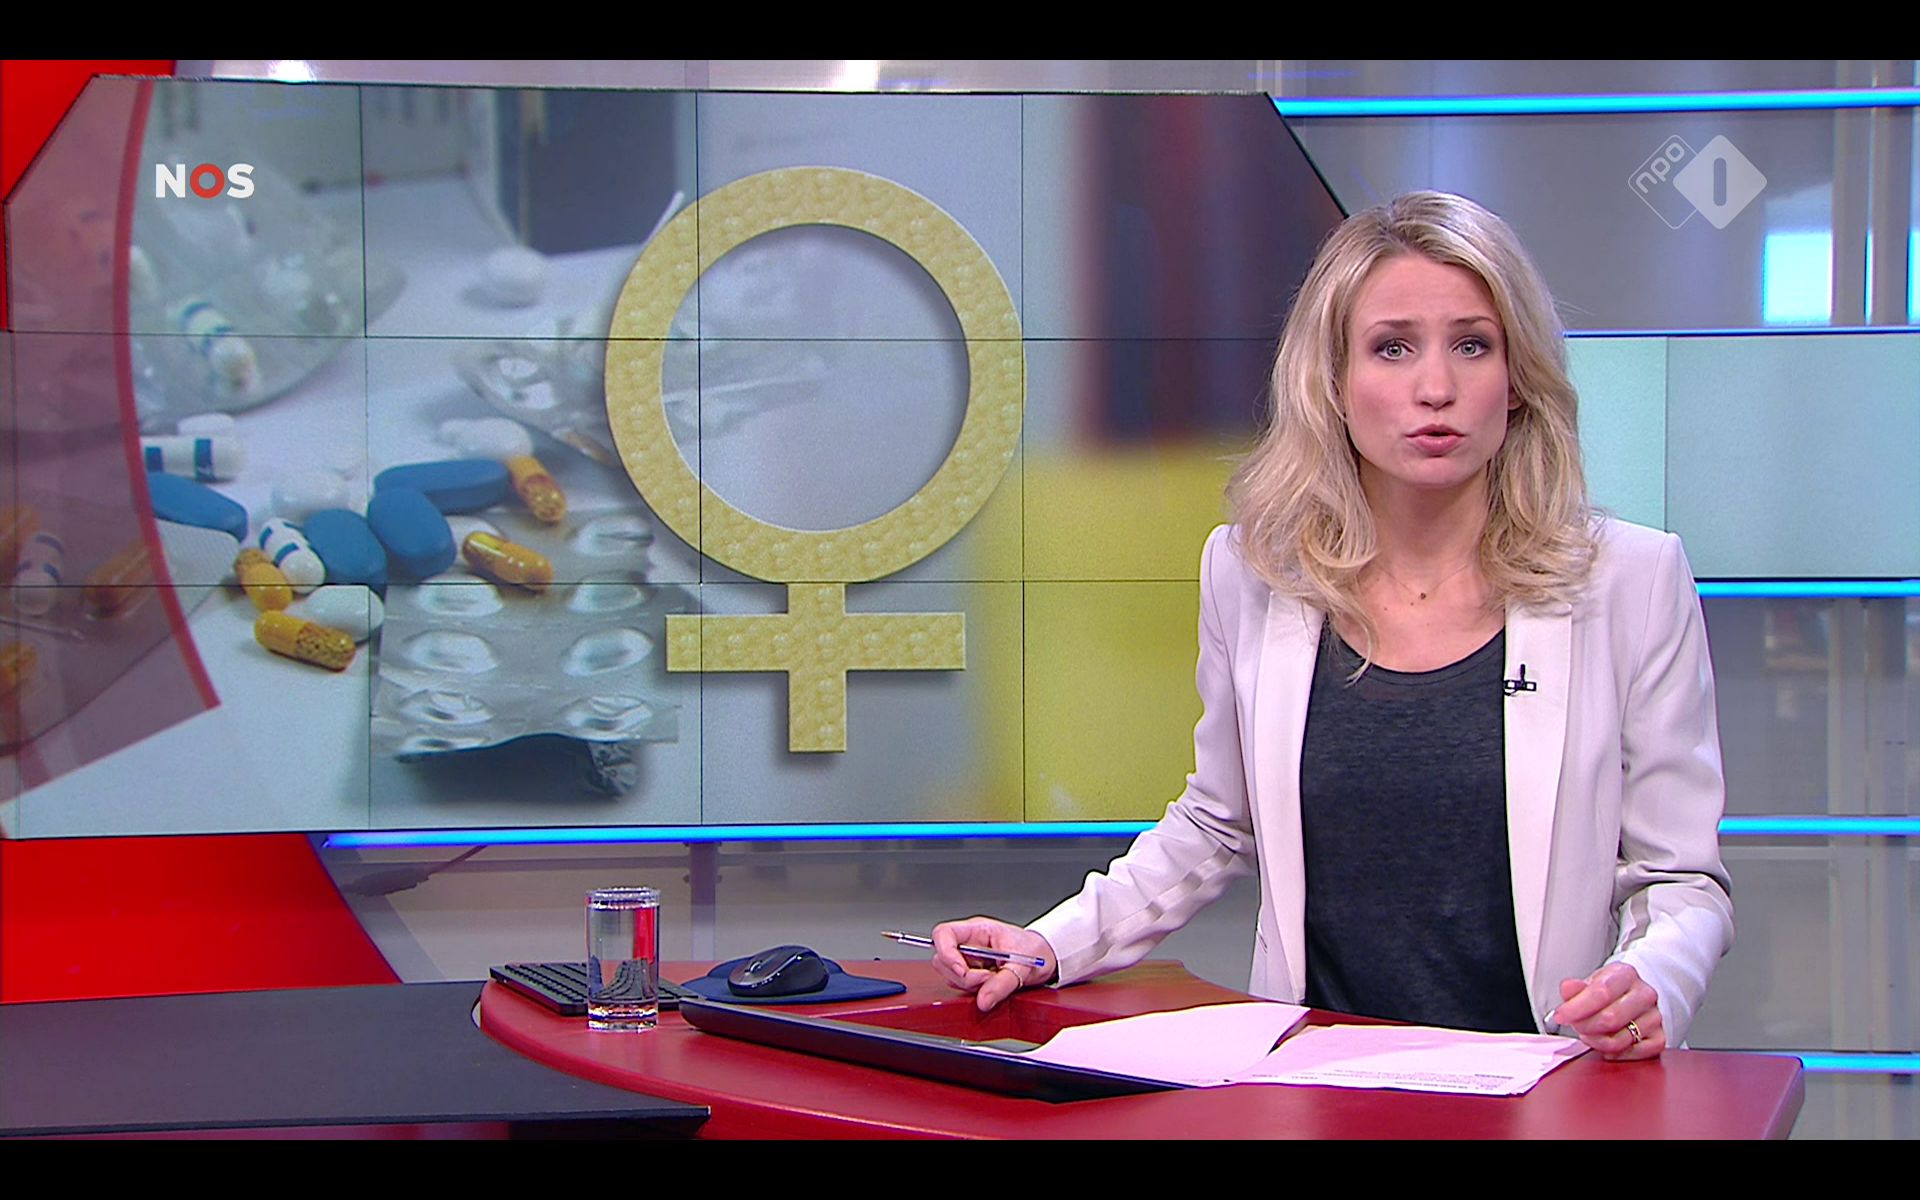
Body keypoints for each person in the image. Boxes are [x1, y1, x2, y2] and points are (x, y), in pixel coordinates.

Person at [932, 191, 1733, 1061]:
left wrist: (1652, 979)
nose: (1436, 388)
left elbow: (1681, 879)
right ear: (1334, 383)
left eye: (1473, 345)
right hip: (1317, 1080)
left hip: (1539, 1076)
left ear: (1517, 381)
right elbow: (1217, 821)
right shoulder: (1252, 571)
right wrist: (1052, 943)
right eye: (1393, 348)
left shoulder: (1629, 581)